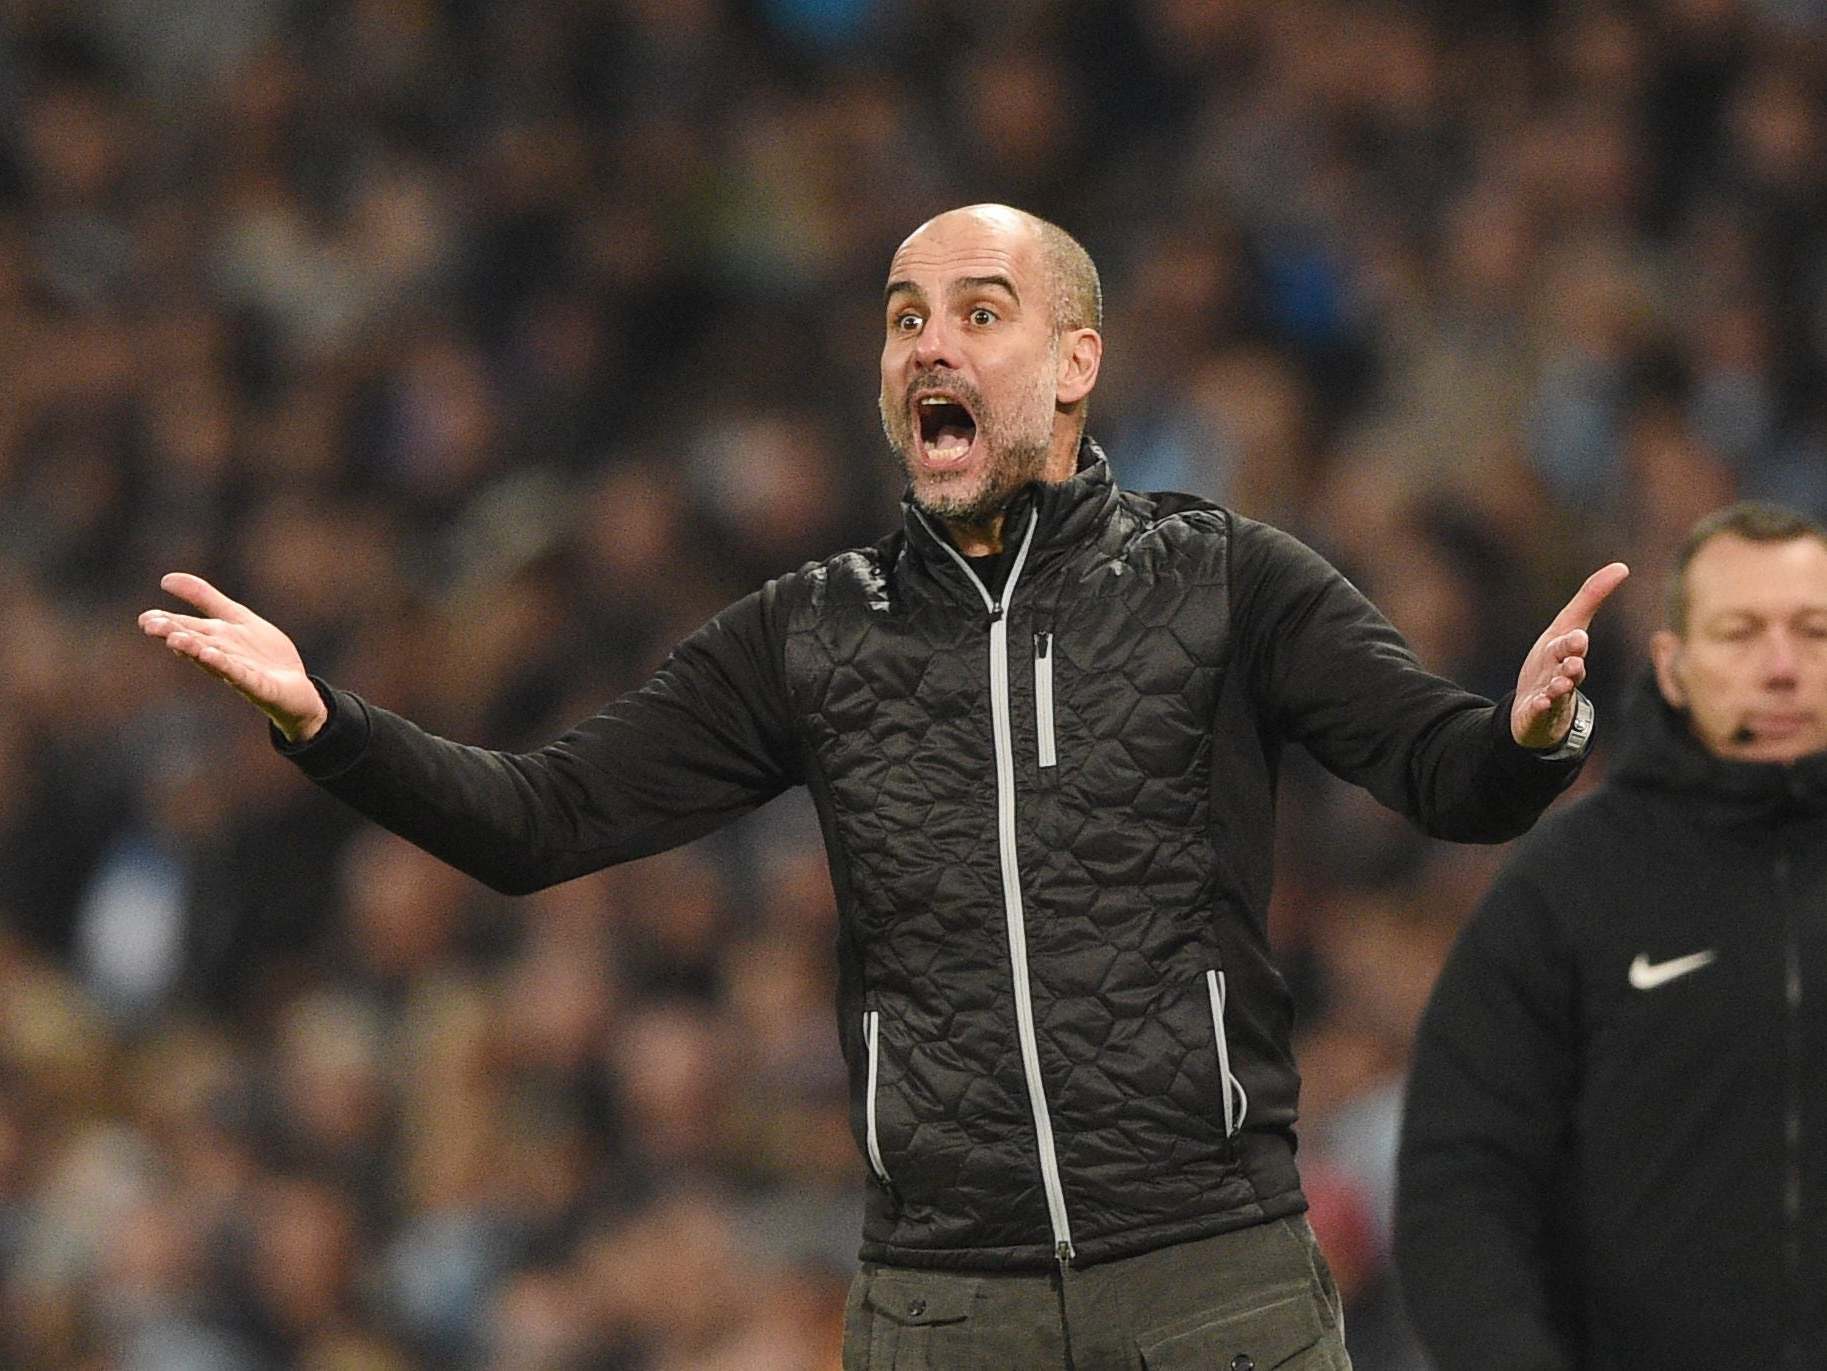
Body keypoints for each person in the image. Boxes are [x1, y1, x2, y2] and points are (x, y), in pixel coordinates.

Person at [142, 203, 1626, 1370]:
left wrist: (1528, 735)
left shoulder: (1227, 581)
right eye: (904, 316)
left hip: (1212, 1281)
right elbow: (539, 820)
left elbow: (1448, 775)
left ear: (1073, 361)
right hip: (939, 1308)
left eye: (979, 313)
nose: (929, 345)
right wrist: (326, 718)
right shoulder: (810, 630)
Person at [1394, 501, 1827, 1371]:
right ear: (1670, 665)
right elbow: (1461, 1179)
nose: (1781, 668)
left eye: (1813, 631)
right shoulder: (1569, 883)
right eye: (1739, 633)